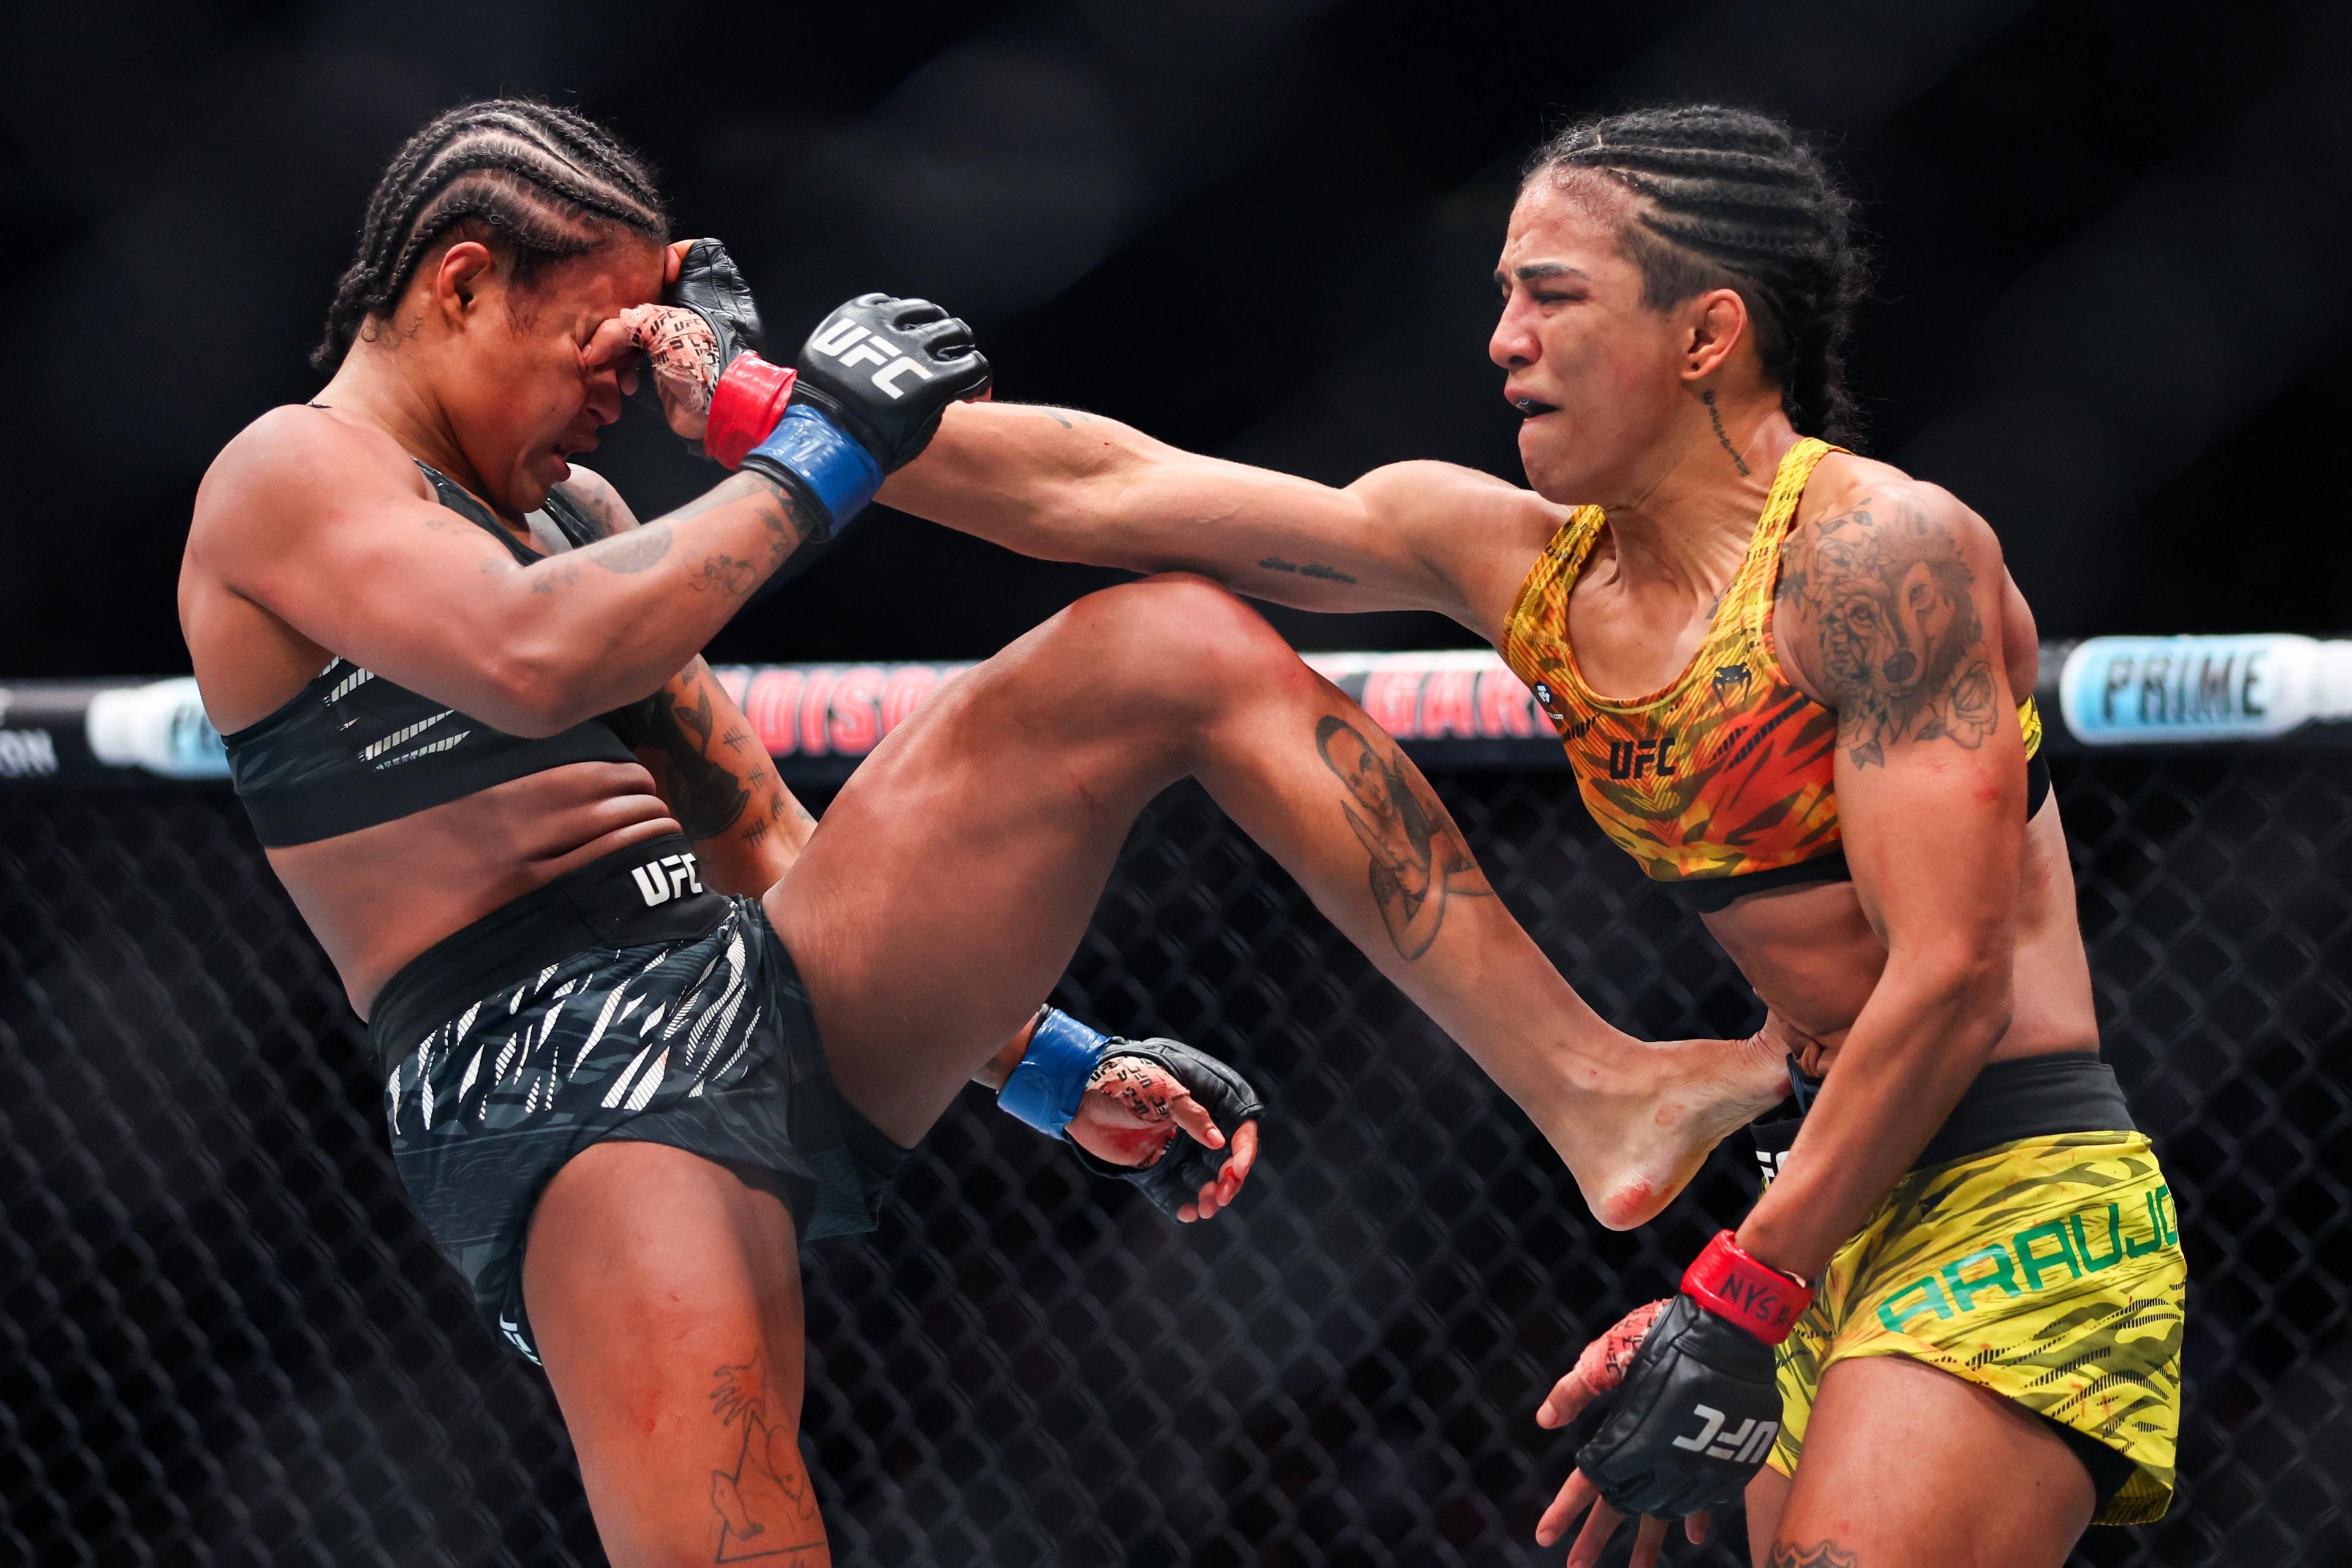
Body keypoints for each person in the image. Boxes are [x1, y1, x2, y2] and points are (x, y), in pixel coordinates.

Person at [180, 99, 1784, 1565]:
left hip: (745, 968)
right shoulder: (289, 475)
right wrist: (825, 446)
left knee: (1173, 644)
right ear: (462, 286)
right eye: (589, 354)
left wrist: (1049, 1063)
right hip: (562, 1075)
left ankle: (1593, 1087)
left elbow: (750, 821)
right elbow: (532, 662)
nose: (608, 410)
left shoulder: (580, 520)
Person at [881, 103, 2185, 1568]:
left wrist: (1734, 1296)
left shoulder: (1877, 558)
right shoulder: (1516, 563)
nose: (1502, 339)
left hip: (2010, 1187)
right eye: (1503, 293)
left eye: (1550, 295)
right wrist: (784, 420)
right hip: (1819, 1197)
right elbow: (1107, 489)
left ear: (1707, 335)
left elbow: (1951, 978)